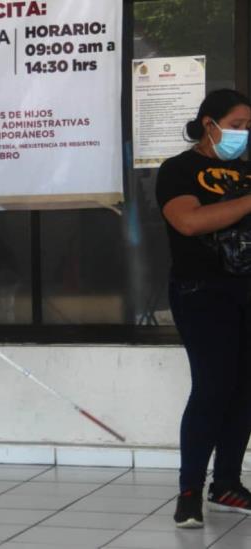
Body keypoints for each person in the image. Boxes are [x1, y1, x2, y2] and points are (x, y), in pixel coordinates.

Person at [156, 89, 251, 527]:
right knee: (212, 388)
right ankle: (190, 490)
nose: (243, 135)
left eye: (249, 128)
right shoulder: (179, 170)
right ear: (209, 123)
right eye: (236, 125)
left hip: (247, 289)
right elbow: (188, 222)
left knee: (244, 390)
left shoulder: (247, 169)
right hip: (202, 292)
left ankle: (227, 484)